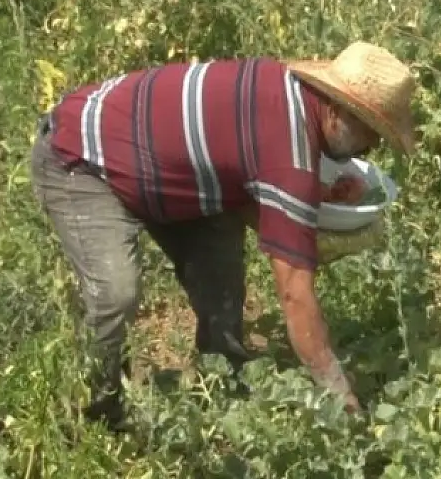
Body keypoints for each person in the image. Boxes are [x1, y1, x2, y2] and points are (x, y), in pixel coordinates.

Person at [29, 41, 416, 432]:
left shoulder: (284, 91)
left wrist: (315, 203)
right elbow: (294, 294)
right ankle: (96, 417)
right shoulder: (290, 150)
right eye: (371, 131)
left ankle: (222, 386)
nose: (373, 147)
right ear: (337, 110)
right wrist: (343, 399)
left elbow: (249, 181)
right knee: (115, 293)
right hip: (81, 158)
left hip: (164, 170)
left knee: (222, 272)